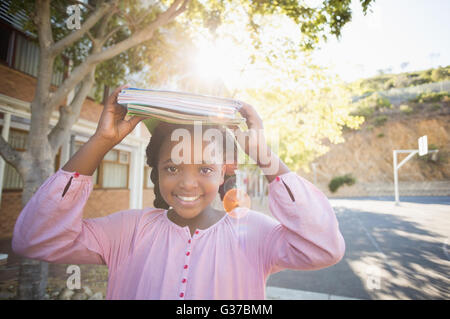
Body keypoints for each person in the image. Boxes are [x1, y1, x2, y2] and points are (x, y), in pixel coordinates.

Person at [12, 84, 345, 300]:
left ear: (224, 171)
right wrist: (102, 141)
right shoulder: (126, 230)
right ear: (155, 171)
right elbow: (35, 239)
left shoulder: (254, 233)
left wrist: (265, 155)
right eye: (172, 168)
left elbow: (324, 248)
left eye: (204, 169)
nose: (187, 183)